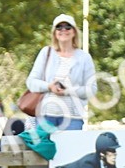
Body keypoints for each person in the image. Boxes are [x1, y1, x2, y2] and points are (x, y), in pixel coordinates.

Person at [19, 13, 97, 159]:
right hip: (46, 115)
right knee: (44, 156)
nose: (63, 30)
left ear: (74, 32)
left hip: (73, 117)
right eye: (59, 27)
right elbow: (31, 82)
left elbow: (91, 89)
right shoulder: (46, 53)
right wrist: (49, 86)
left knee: (71, 157)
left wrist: (69, 91)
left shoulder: (84, 57)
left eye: (68, 27)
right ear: (54, 33)